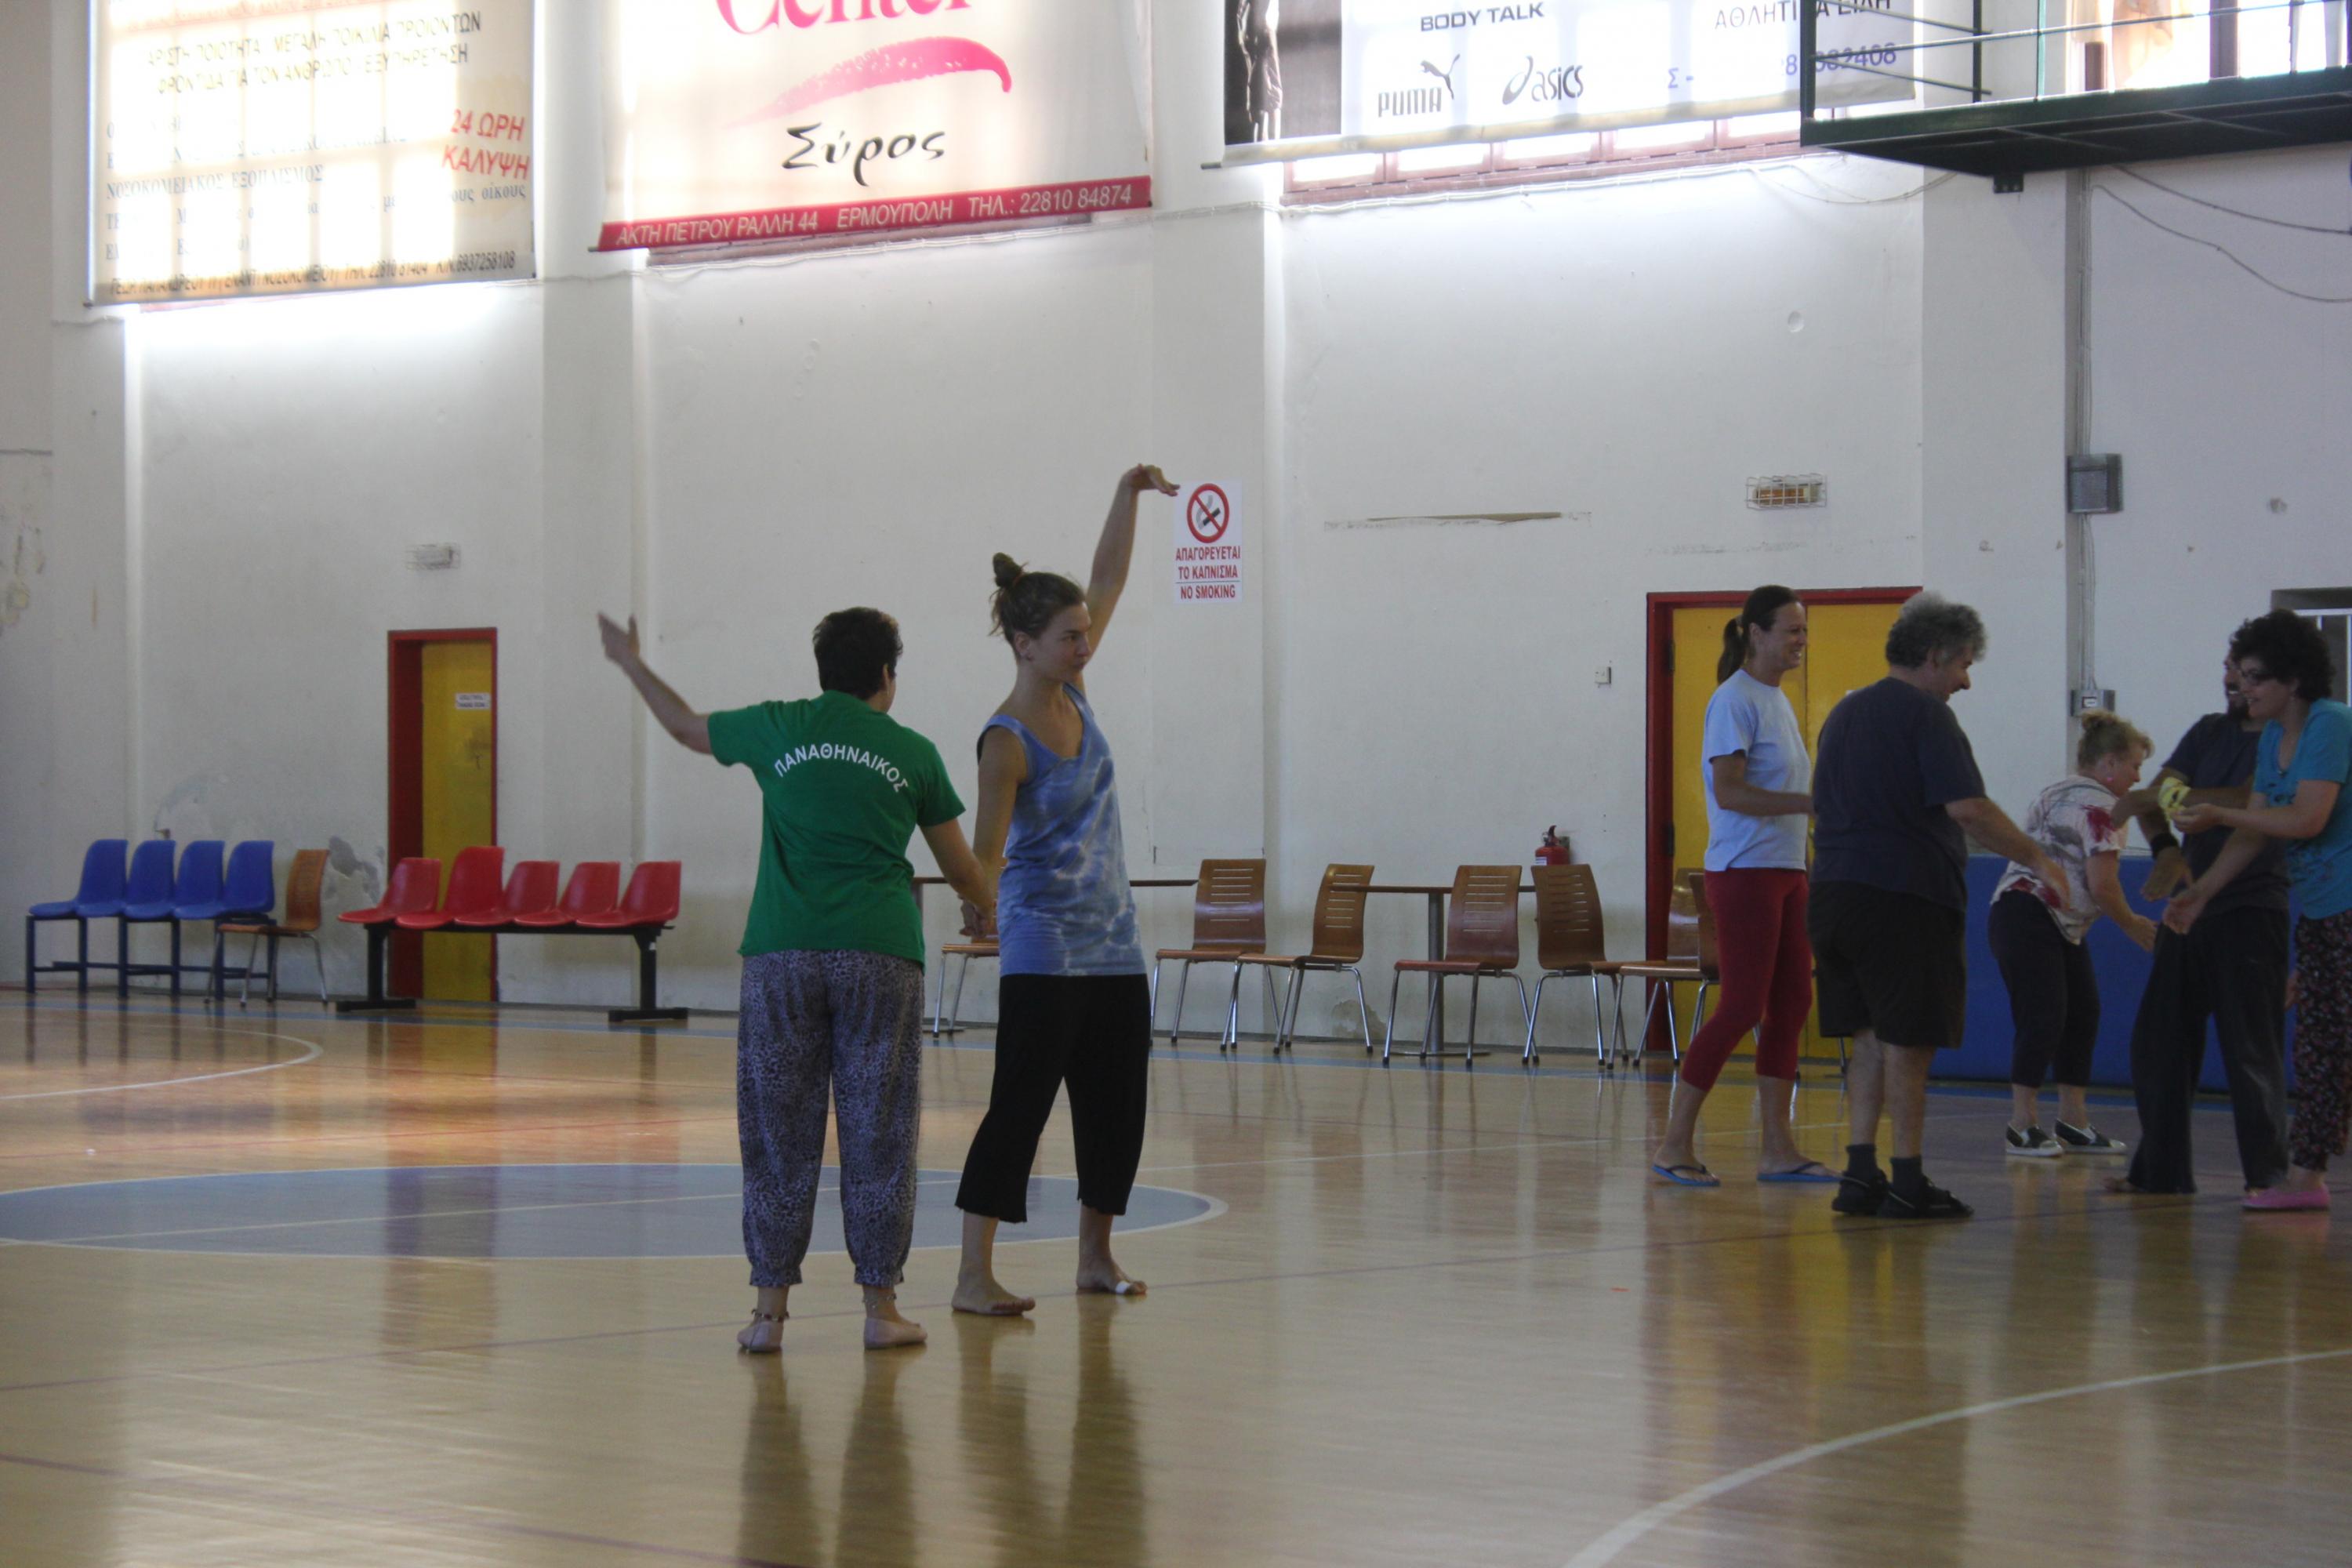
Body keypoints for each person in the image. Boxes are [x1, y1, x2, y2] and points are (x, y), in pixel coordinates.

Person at [598, 605, 995, 1352]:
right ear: (887, 675)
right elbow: (963, 868)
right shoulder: (912, 752)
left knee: (777, 1133)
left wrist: (629, 662)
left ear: (823, 673)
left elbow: (683, 727)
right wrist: (984, 908)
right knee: (880, 1132)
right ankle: (881, 1310)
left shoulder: (778, 727)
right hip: (880, 954)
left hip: (781, 955)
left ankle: (768, 1315)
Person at [953, 463, 1179, 1316]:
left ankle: (1094, 1256)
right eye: (1070, 637)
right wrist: (978, 903)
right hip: (1043, 951)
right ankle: (973, 1273)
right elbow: (986, 852)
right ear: (1024, 643)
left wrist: (1126, 493)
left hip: (1113, 945)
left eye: (1086, 634)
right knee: (1019, 1109)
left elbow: (1108, 578)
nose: (1086, 647)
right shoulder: (1005, 741)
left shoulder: (1077, 693)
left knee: (1116, 1110)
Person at [1809, 592, 2065, 1221]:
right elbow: (1969, 808)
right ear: (1933, 656)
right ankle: (1907, 1179)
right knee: (1910, 1041)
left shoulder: (1845, 713)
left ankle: (1860, 1174)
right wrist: (2038, 858)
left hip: (1834, 892)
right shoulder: (1928, 716)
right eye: (1963, 665)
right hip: (1903, 896)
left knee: (1868, 1037)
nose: (1966, 682)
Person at [2166, 609, 2352, 1211]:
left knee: (2333, 1042)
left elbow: (2306, 818)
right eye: (2240, 675)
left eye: (2254, 677)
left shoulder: (2330, 724)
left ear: (2292, 681)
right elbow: (2255, 831)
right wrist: (2202, 892)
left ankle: (2305, 1175)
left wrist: (2220, 813)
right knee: (2320, 1046)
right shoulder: (2273, 737)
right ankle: (2306, 1179)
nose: (2241, 687)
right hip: (2322, 912)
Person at [1650, 586, 1831, 1186]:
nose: (1801, 641)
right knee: (1741, 1007)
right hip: (1745, 872)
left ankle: (1779, 1149)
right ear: (1756, 634)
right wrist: (1810, 803)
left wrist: (1807, 851)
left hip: (1786, 871)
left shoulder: (1776, 700)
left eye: (1804, 630)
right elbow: (1729, 792)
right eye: (1791, 630)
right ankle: (1674, 1144)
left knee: (1792, 1004)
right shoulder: (1733, 700)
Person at [2110, 657, 2292, 1196]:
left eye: (2248, 672)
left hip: (2251, 909)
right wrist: (2166, 848)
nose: (2233, 680)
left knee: (2250, 1049)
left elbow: (2249, 801)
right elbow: (2151, 800)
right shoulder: (2208, 731)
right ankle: (2160, 1173)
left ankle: (2269, 1177)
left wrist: (2170, 798)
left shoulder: (2285, 740)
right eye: (2230, 669)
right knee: (2158, 1043)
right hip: (2188, 908)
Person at [1991, 710, 2158, 1158]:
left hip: (2039, 918)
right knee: (2044, 1016)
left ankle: (2073, 1122)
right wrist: (2133, 924)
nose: (2138, 776)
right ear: (2108, 763)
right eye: (2134, 766)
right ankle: (2022, 1125)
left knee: (2082, 1012)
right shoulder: (2104, 808)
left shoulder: (2055, 791)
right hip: (2030, 912)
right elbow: (2103, 885)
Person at [1237, 0, 1283, 142]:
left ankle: (1265, 138)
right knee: (1270, 91)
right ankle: (1270, 140)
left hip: (1252, 27)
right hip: (1261, 27)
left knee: (1262, 93)